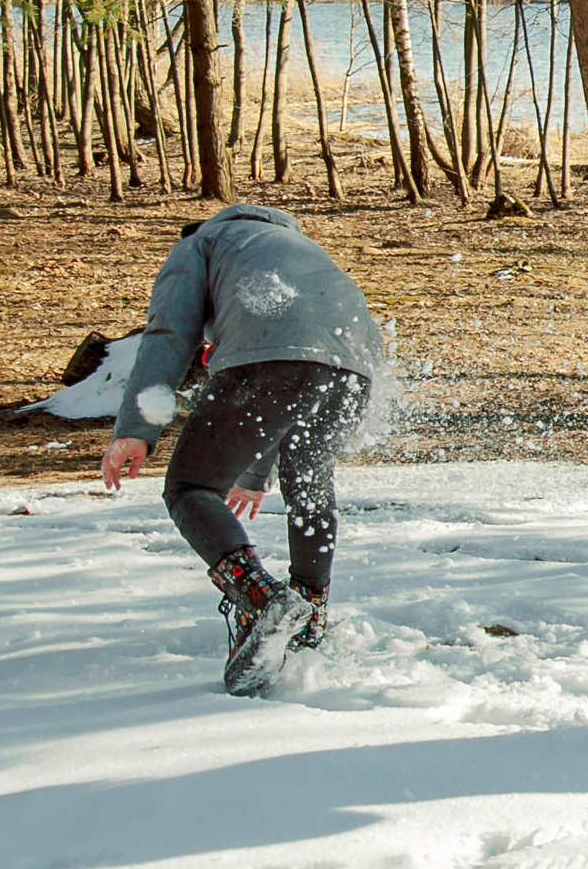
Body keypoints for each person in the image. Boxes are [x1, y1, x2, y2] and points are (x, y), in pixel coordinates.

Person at [98, 204, 385, 696]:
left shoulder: (200, 243)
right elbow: (301, 371)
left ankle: (261, 597)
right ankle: (309, 616)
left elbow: (171, 331)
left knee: (190, 487)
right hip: (354, 369)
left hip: (275, 356)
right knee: (309, 489)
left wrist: (136, 428)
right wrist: (253, 477)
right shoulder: (299, 248)